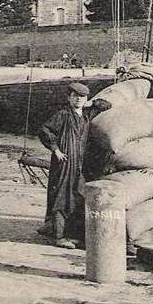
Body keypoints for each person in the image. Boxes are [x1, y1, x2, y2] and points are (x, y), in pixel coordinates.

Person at [37, 82, 111, 249]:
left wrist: (91, 103)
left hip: (78, 164)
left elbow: (106, 105)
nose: (78, 100)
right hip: (63, 163)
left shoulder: (86, 115)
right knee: (61, 197)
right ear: (69, 98)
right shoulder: (63, 115)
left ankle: (72, 234)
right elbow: (45, 131)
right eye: (75, 96)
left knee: (77, 196)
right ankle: (59, 237)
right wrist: (55, 149)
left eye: (82, 97)